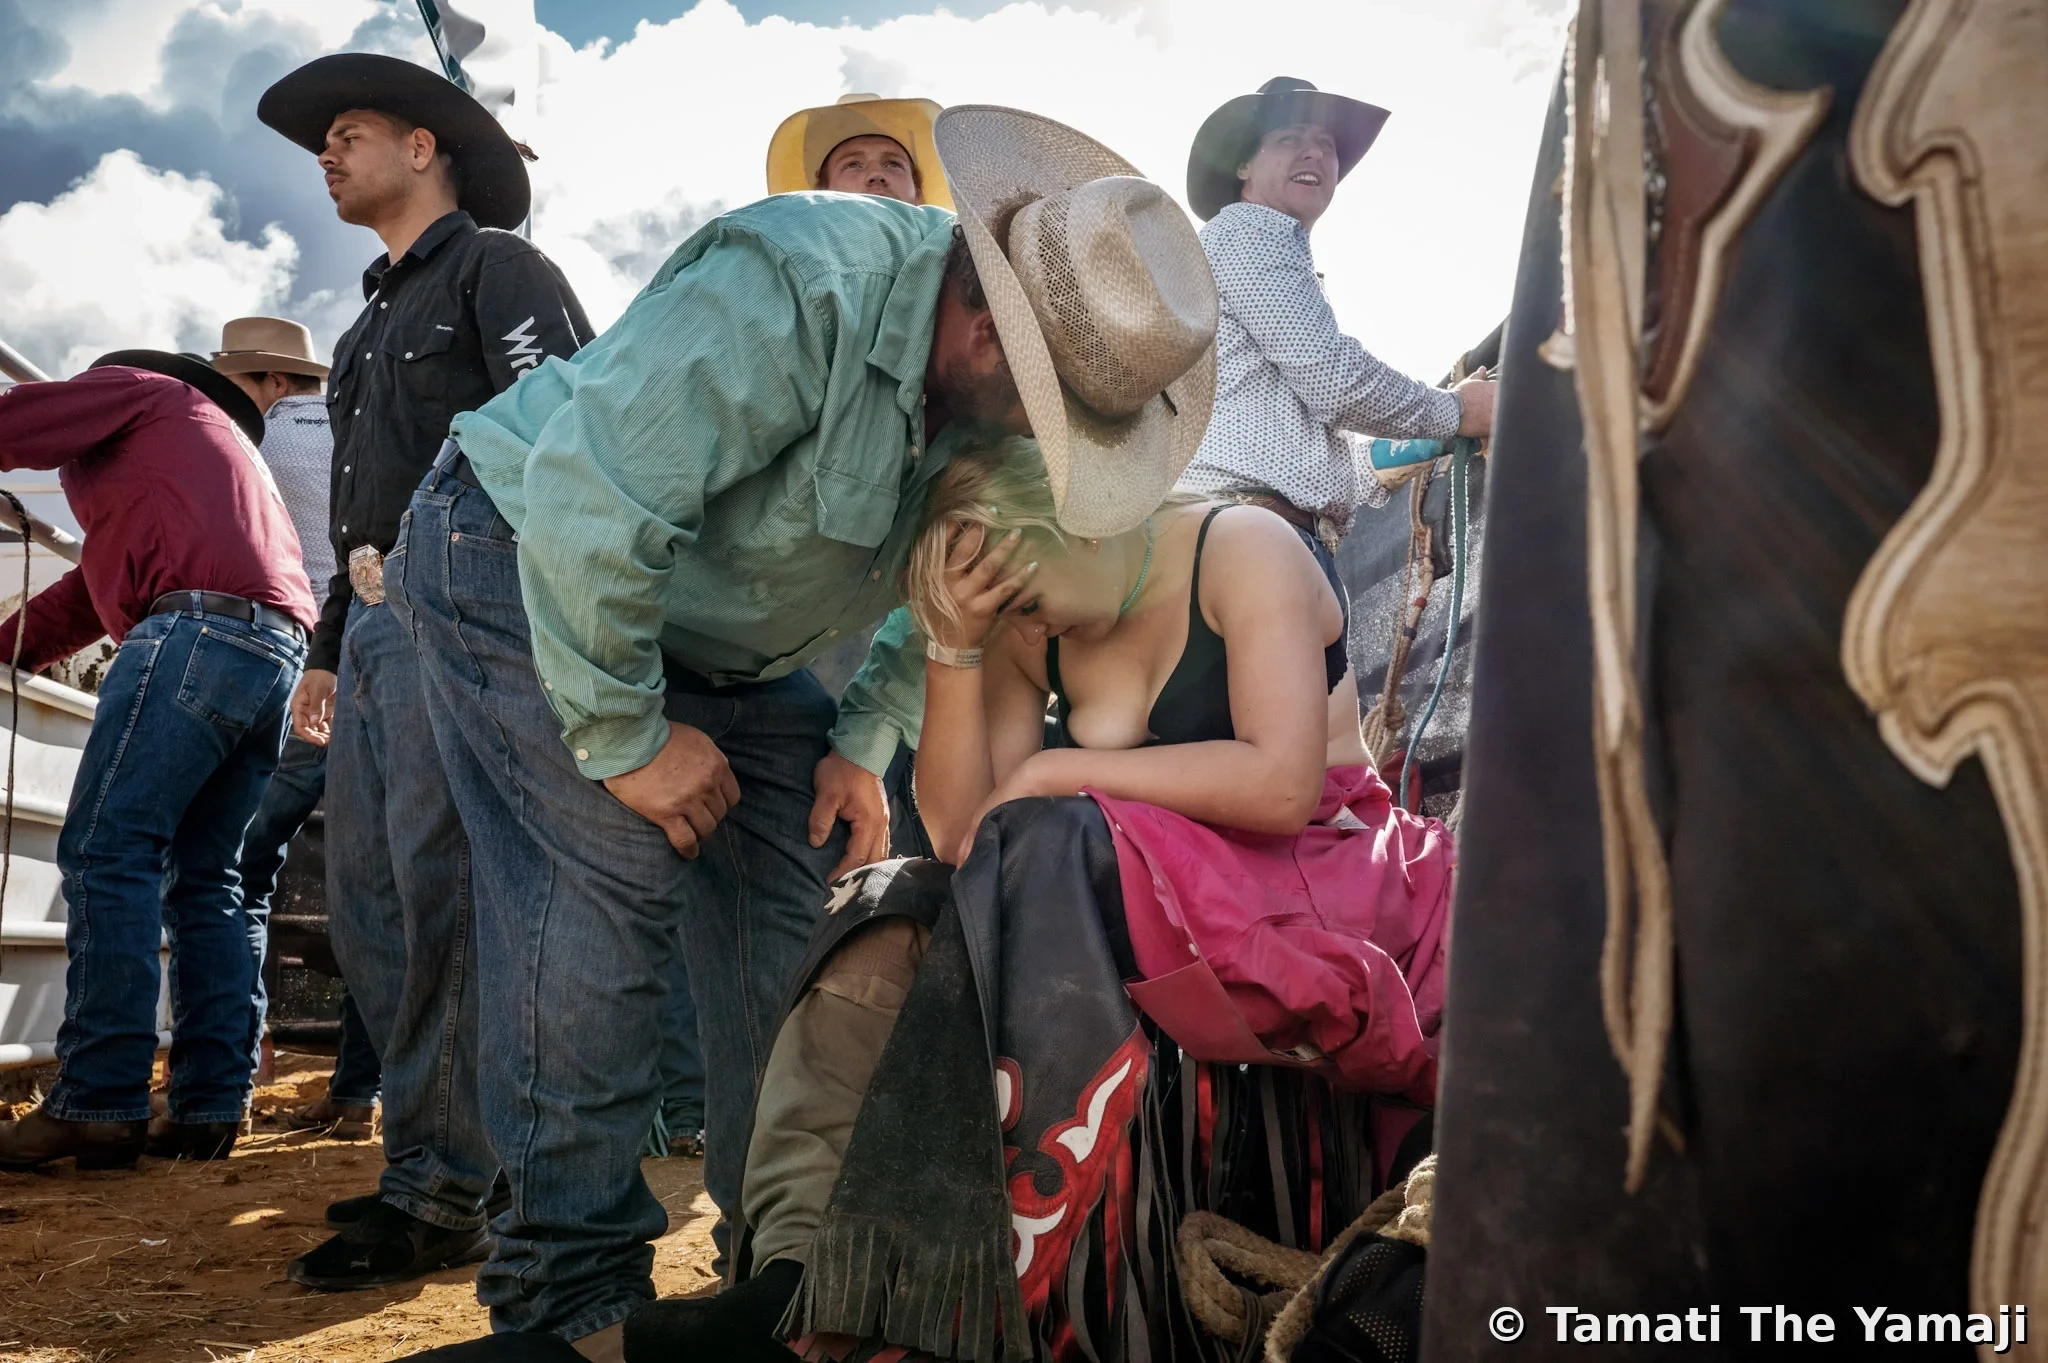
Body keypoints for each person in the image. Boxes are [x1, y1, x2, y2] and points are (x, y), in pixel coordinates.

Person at [390, 105, 1216, 1357]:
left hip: (725, 635)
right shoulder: (794, 280)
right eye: (1045, 415)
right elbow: (587, 496)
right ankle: (570, 1298)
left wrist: (861, 732)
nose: (1044, 452)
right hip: (522, 554)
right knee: (601, 892)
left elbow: (956, 582)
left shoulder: (993, 399)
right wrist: (622, 734)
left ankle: (785, 1272)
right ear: (986, 324)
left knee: (803, 918)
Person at [629, 436, 1454, 1359]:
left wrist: (1063, 764)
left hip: (1315, 866)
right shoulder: (1031, 632)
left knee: (1060, 833)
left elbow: (1283, 784)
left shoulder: (1241, 548)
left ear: (1078, 522)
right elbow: (963, 843)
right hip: (1120, 887)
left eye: (1013, 593)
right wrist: (952, 649)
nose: (1020, 622)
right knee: (888, 903)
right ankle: (803, 1278)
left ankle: (1004, 1292)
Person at [255, 52, 592, 1290]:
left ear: (424, 147)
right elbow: (361, 510)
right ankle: (428, 1161)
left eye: (350, 133)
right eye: (325, 141)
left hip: (477, 621)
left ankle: (451, 1185)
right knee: (378, 906)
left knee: (447, 896)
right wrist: (332, 650)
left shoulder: (501, 272)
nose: (328, 155)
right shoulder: (361, 327)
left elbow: (565, 448)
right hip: (382, 633)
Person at [0, 352, 313, 1171]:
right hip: (272, 650)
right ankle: (211, 1101)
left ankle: (100, 1094)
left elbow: (17, 424)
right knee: (207, 881)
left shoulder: (138, 391)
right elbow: (77, 602)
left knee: (109, 848)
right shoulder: (199, 472)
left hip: (197, 634)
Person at [1178, 77, 1497, 549]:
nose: (1314, 154)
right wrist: (1456, 410)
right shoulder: (1249, 230)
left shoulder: (1251, 250)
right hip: (1250, 532)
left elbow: (1309, 428)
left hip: (1248, 528)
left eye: (1325, 143)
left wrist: (1402, 448)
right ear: (1244, 164)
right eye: (1289, 139)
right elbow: (1335, 380)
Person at [209, 316, 380, 1135]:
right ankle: (357, 1092)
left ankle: (233, 1070)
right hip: (375, 665)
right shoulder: (364, 426)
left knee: (236, 869)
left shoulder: (255, 440)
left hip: (296, 668)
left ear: (271, 383)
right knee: (375, 885)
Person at [764, 93, 953, 208]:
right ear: (822, 192)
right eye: (853, 165)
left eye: (893, 164)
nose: (877, 174)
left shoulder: (965, 260)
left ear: (918, 193)